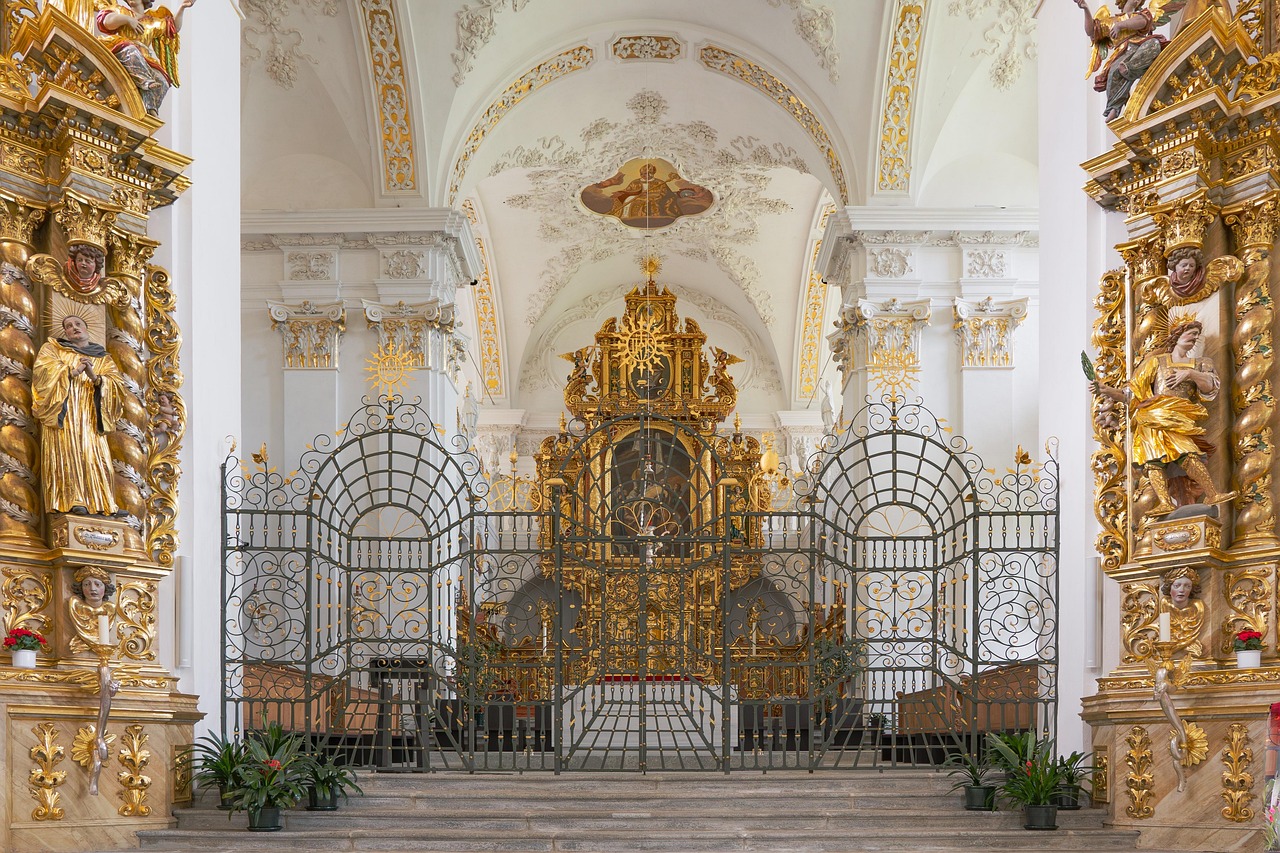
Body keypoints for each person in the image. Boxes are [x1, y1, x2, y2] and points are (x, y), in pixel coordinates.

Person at [1091, 315, 1234, 516]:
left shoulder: (1201, 363)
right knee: (1152, 460)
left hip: (1178, 418)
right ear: (1177, 335)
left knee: (1188, 454)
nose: (1194, 337)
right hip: (1152, 415)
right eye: (1190, 333)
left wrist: (1190, 374)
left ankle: (1212, 494)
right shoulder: (1155, 362)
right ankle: (1165, 502)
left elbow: (1211, 387)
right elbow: (1130, 393)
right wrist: (1106, 390)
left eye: (1197, 335)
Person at [32, 314, 126, 516]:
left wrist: (94, 376)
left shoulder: (103, 357)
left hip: (91, 416)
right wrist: (71, 372)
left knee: (95, 456)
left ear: (86, 328)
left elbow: (118, 387)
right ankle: (72, 499)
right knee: (69, 453)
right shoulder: (53, 349)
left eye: (77, 324)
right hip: (65, 414)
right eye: (68, 326)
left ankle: (103, 502)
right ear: (64, 332)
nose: (73, 328)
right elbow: (42, 373)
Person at [1074, 0, 1185, 121]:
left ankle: (1130, 69)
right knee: (1113, 73)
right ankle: (1114, 108)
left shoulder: (1141, 15)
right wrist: (1085, 9)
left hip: (1140, 47)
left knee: (1154, 43)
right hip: (1122, 53)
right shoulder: (1110, 21)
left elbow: (1142, 22)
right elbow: (1092, 32)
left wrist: (1120, 25)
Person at [95, 0, 197, 115]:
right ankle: (146, 82)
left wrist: (182, 7)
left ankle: (150, 108)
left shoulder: (152, 21)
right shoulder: (122, 11)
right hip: (124, 48)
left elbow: (173, 27)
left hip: (144, 56)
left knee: (163, 80)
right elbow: (106, 21)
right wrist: (127, 20)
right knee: (132, 51)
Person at [1159, 566, 1204, 656]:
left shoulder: (1197, 608)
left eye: (1187, 586)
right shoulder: (1164, 604)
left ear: (1192, 589)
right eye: (1177, 586)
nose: (1182, 590)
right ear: (1169, 588)